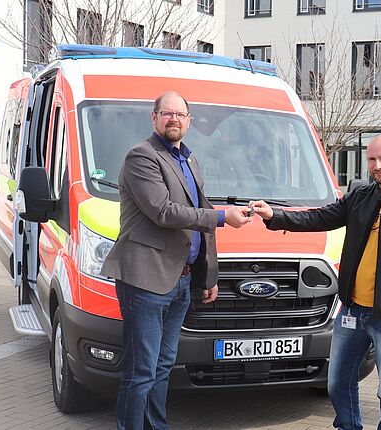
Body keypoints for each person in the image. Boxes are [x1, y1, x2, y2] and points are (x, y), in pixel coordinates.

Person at [249, 134, 381, 430]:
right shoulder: (361, 196)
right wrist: (276, 216)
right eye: (372, 159)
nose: (378, 166)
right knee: (337, 383)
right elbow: (320, 218)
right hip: (352, 311)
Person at [100, 92, 253, 430]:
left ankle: (157, 425)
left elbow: (202, 217)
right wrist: (225, 216)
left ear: (189, 121)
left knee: (163, 365)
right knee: (141, 370)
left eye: (180, 114)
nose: (174, 119)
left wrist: (207, 276)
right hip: (146, 281)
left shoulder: (189, 159)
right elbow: (164, 212)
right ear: (154, 118)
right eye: (167, 113)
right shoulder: (141, 156)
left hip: (180, 281)